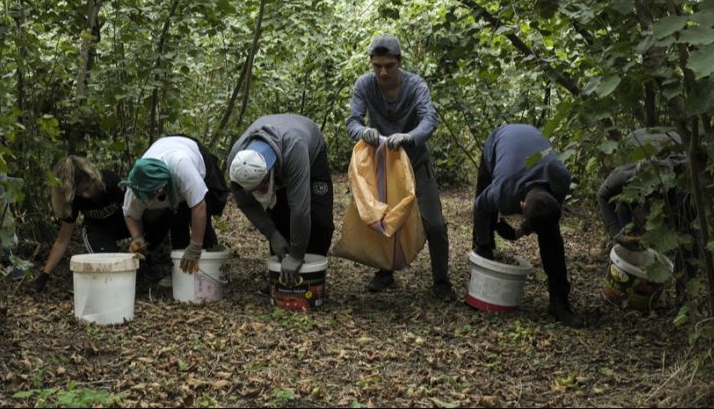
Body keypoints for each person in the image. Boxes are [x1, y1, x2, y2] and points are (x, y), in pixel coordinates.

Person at [345, 34, 455, 301]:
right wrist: (365, 132)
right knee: (382, 218)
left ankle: (441, 280)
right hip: (382, 167)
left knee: (435, 223)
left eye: (389, 66)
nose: (383, 72)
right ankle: (385, 271)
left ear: (399, 62)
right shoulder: (365, 85)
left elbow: (429, 119)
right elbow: (353, 122)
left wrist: (409, 137)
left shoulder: (416, 85)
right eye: (377, 66)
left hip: (416, 163)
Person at [472, 124, 581, 327]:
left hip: (533, 137)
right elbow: (479, 207)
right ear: (520, 205)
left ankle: (559, 302)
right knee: (485, 221)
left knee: (552, 237)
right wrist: (483, 242)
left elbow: (545, 217)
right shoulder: (502, 190)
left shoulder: (560, 178)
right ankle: (481, 269)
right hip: (498, 140)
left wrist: (518, 232)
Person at [33, 155, 170, 292]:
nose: (85, 195)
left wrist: (138, 240)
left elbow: (134, 212)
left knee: (158, 216)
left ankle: (148, 258)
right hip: (98, 230)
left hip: (123, 223)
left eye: (87, 189)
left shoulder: (110, 181)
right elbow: (63, 240)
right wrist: (45, 274)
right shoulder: (74, 199)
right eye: (80, 193)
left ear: (93, 178)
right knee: (107, 265)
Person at [228, 114, 334, 287]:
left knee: (320, 220)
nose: (255, 193)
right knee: (280, 218)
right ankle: (281, 278)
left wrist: (297, 256)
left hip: (309, 152)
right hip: (278, 161)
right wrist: (272, 234)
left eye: (259, 187)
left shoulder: (294, 148)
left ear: (269, 173)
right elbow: (246, 203)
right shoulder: (237, 163)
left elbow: (300, 209)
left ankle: (311, 278)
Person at [120, 135, 228, 276]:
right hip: (164, 150)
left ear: (163, 185)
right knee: (174, 217)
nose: (148, 199)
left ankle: (212, 265)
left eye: (152, 195)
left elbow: (199, 206)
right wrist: (138, 238)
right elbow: (130, 214)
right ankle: (180, 271)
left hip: (192, 152)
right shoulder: (135, 184)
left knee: (203, 217)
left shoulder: (182, 166)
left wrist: (195, 246)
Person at [597, 129, 688, 249]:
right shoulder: (626, 173)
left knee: (680, 222)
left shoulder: (684, 173)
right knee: (623, 202)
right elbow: (602, 195)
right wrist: (616, 234)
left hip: (672, 139)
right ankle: (624, 243)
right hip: (636, 139)